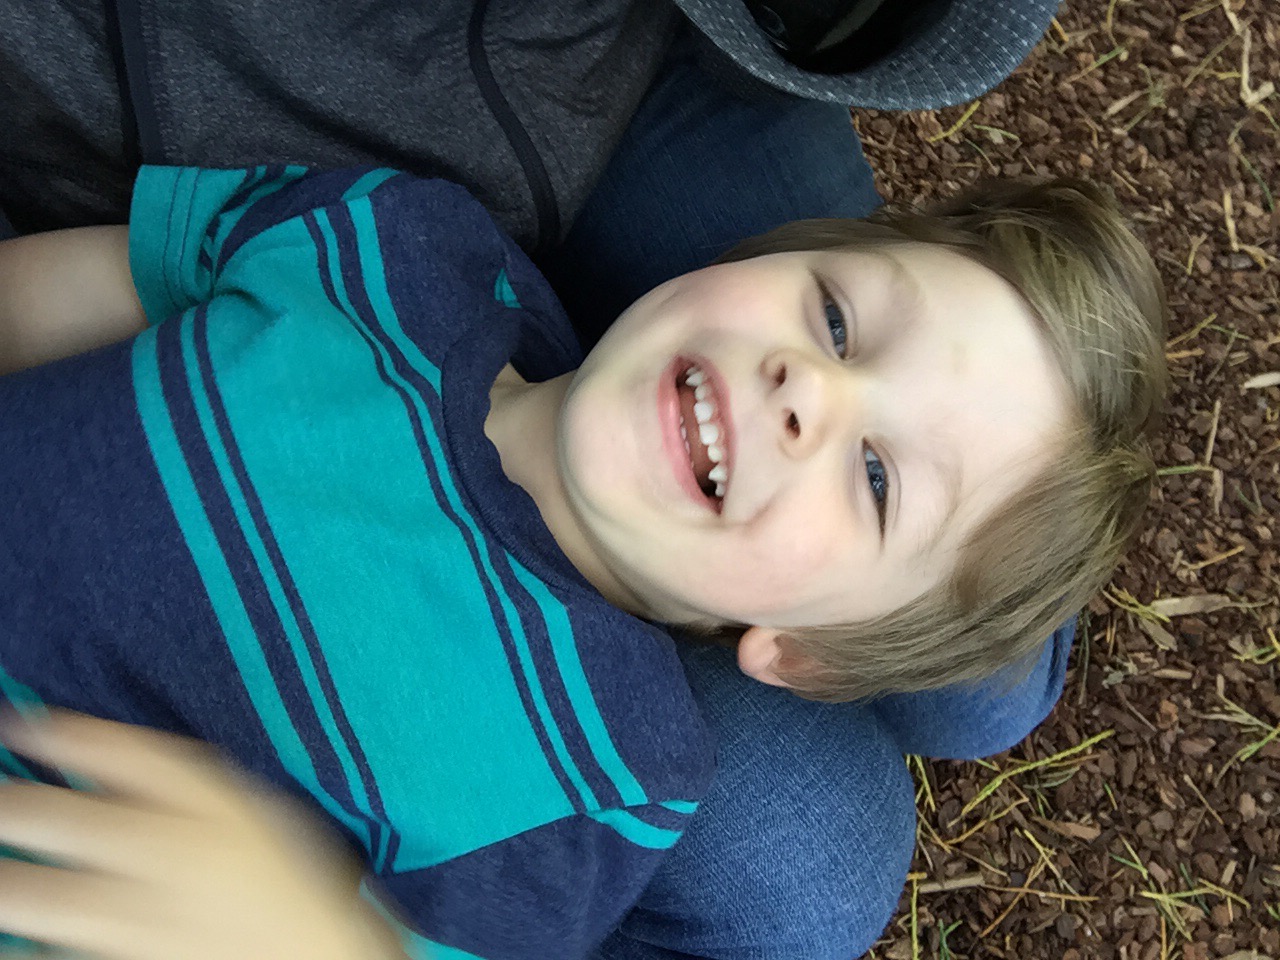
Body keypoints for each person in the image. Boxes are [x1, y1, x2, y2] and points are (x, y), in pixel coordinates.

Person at [0, 1, 1080, 957]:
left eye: (877, 479)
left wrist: (319, 940)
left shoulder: (595, 793)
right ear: (749, 254)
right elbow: (91, 291)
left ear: (792, 653)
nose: (814, 391)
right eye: (836, 321)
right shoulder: (393, 240)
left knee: (991, 683)